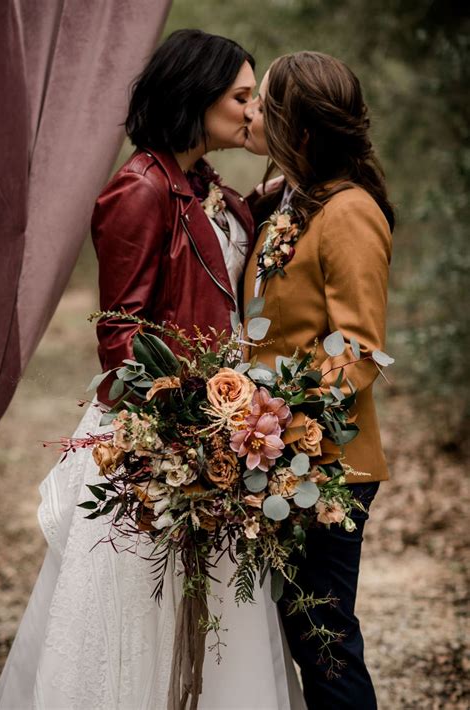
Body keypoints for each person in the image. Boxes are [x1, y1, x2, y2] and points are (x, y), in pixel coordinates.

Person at [0, 31, 304, 710]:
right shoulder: (138, 189)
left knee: (221, 617)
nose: (253, 113)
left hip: (220, 428)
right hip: (161, 435)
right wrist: (186, 422)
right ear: (196, 97)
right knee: (138, 613)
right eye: (242, 98)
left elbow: (231, 245)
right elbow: (121, 333)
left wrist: (290, 158)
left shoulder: (200, 183)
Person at [243, 51, 394, 709]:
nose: (252, 114)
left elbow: (360, 349)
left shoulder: (350, 211)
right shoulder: (296, 200)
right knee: (304, 636)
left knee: (325, 642)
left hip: (330, 466)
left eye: (263, 105)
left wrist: (275, 412)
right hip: (282, 461)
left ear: (298, 130)